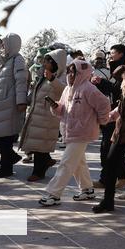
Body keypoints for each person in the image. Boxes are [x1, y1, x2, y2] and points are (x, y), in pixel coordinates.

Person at [39, 58, 112, 207]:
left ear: (82, 73)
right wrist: (55, 106)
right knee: (78, 161)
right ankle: (87, 189)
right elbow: (62, 109)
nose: (71, 75)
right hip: (71, 130)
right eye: (69, 72)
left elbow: (104, 104)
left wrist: (102, 120)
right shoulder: (68, 89)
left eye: (74, 72)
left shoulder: (88, 88)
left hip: (82, 131)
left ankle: (54, 194)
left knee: (66, 163)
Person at [94, 50, 125, 213]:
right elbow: (122, 105)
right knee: (110, 163)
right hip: (120, 130)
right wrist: (111, 116)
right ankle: (108, 200)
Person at [19, 48, 67, 182]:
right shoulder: (43, 76)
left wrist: (52, 79)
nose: (44, 63)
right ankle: (46, 160)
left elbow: (64, 90)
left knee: (40, 145)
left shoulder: (61, 76)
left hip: (48, 116)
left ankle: (38, 172)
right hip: (38, 114)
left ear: (56, 63)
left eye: (47, 61)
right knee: (38, 144)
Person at [0, 32, 29, 178]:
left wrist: (21, 101)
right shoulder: (5, 62)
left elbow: (21, 81)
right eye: (1, 44)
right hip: (1, 105)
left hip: (9, 105)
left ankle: (6, 167)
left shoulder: (17, 60)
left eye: (4, 44)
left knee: (4, 138)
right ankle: (10, 159)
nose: (2, 47)